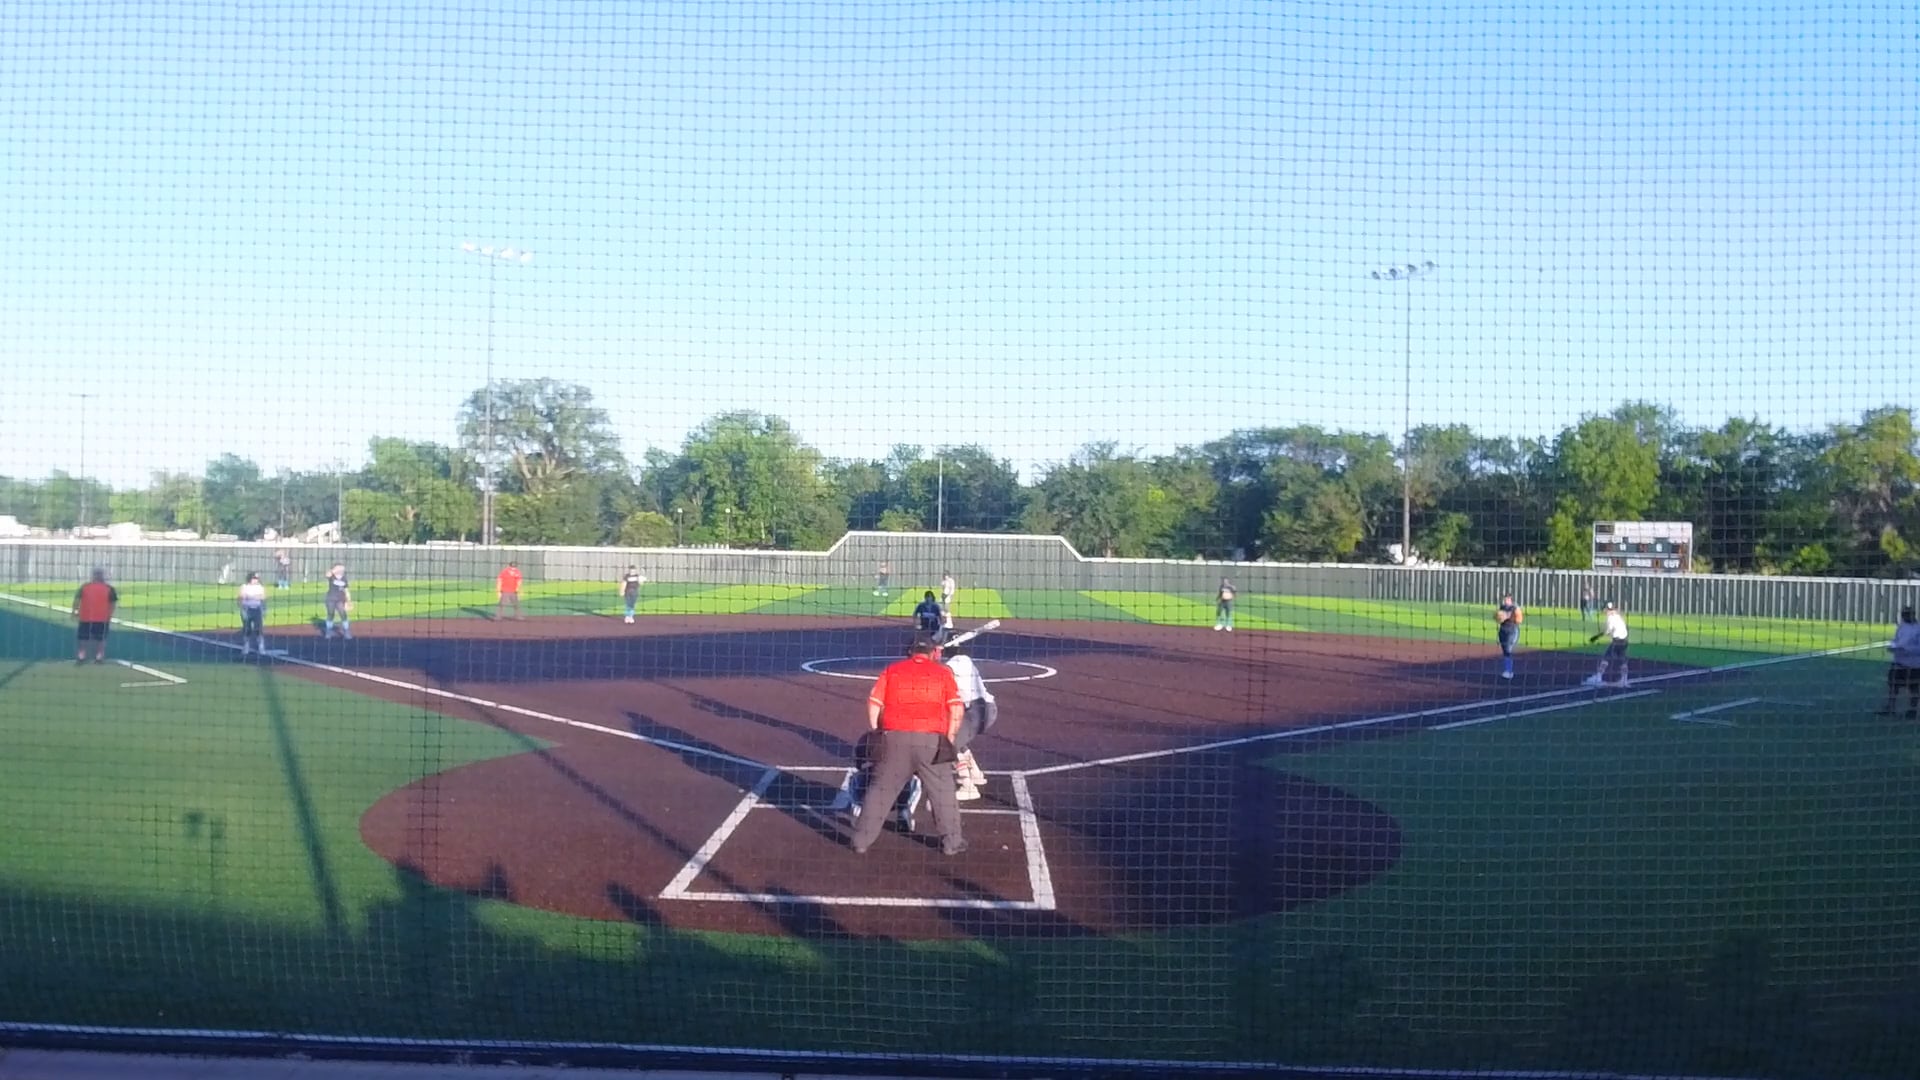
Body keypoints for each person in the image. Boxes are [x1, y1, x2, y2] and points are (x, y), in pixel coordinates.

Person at [847, 635, 967, 856]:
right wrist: (949, 737)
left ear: (909, 652)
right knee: (943, 792)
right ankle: (952, 842)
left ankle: (860, 840)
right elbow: (957, 709)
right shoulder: (942, 673)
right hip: (931, 741)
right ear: (932, 653)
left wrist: (877, 731)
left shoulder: (892, 670)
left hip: (894, 739)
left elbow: (874, 703)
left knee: (880, 790)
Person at [941, 640, 997, 801]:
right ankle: (975, 773)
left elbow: (942, 672)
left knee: (948, 743)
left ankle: (968, 786)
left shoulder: (959, 661)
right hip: (980, 710)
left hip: (977, 711)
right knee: (957, 737)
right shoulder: (964, 660)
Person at [1878, 606, 1920, 719]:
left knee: (1914, 687)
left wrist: (1906, 650)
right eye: (1903, 615)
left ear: (1913, 614)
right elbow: (1896, 640)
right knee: (1893, 685)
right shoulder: (1902, 627)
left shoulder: (1918, 629)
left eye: (1906, 614)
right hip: (1898, 662)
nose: (1904, 617)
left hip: (1913, 664)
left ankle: (1912, 710)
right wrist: (1893, 647)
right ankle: (1890, 707)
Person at [70, 568, 118, 664]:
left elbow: (77, 600)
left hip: (87, 618)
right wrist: (109, 614)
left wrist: (74, 611)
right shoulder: (108, 588)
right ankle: (98, 657)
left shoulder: (85, 587)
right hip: (100, 618)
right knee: (100, 639)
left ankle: (83, 656)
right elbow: (113, 604)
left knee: (84, 638)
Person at [1584, 602, 1630, 687]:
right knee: (1623, 660)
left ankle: (1598, 677)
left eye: (1605, 609)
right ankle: (1624, 679)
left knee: (1606, 657)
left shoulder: (1610, 618)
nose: (1604, 611)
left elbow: (1608, 631)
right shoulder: (1618, 616)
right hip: (1625, 641)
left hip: (1617, 641)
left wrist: (1596, 637)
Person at [237, 572, 269, 656]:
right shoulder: (244, 587)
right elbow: (241, 598)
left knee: (259, 629)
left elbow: (263, 597)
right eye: (254, 578)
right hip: (247, 609)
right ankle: (246, 646)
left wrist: (264, 609)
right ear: (250, 578)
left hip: (257, 609)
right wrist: (242, 608)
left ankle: (261, 646)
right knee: (247, 629)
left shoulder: (260, 587)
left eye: (257, 578)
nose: (256, 580)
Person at [1494, 593, 1523, 680]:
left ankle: (1509, 671)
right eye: (1505, 599)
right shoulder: (1502, 607)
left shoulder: (1515, 608)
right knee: (1505, 651)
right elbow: (1498, 618)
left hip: (1512, 631)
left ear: (1510, 599)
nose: (1505, 600)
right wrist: (1499, 617)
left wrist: (1508, 617)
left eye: (1507, 599)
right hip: (1503, 630)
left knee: (1508, 650)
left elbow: (1519, 620)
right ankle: (1507, 670)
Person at [323, 563, 353, 640]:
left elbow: (346, 590)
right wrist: (334, 570)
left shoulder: (344, 578)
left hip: (340, 599)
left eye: (342, 569)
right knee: (330, 614)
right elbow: (327, 574)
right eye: (340, 568)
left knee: (343, 614)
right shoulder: (332, 576)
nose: (342, 570)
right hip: (330, 598)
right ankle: (328, 632)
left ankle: (347, 631)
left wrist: (349, 601)